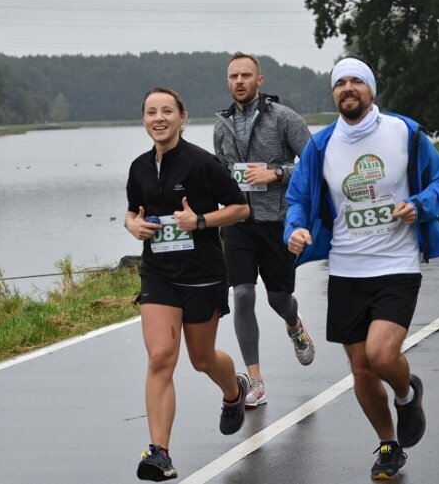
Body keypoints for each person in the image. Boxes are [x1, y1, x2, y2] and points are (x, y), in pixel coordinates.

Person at [283, 57, 439, 480]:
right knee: (360, 368)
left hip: (396, 265)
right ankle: (388, 444)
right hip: (345, 270)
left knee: (380, 354)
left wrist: (418, 205)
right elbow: (299, 199)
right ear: (333, 94)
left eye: (356, 80)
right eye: (339, 82)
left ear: (371, 90)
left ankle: (406, 391)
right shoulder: (321, 146)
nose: (347, 88)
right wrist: (296, 229)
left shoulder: (404, 133)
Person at [126, 86, 251, 482]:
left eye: (166, 111)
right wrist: (133, 226)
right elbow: (131, 213)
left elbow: (240, 209)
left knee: (202, 360)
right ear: (144, 120)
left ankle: (234, 392)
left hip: (202, 275)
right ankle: (159, 452)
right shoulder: (139, 168)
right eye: (151, 112)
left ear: (182, 117)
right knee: (161, 356)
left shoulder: (202, 164)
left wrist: (198, 221)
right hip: (158, 274)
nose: (158, 118)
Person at [213, 52, 315, 409]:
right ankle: (255, 380)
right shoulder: (221, 125)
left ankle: (294, 322)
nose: (238, 81)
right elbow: (223, 172)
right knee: (242, 294)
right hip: (238, 222)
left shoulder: (284, 118)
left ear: (260, 80)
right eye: (233, 77)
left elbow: (313, 162)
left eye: (245, 75)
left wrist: (277, 174)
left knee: (277, 298)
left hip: (278, 221)